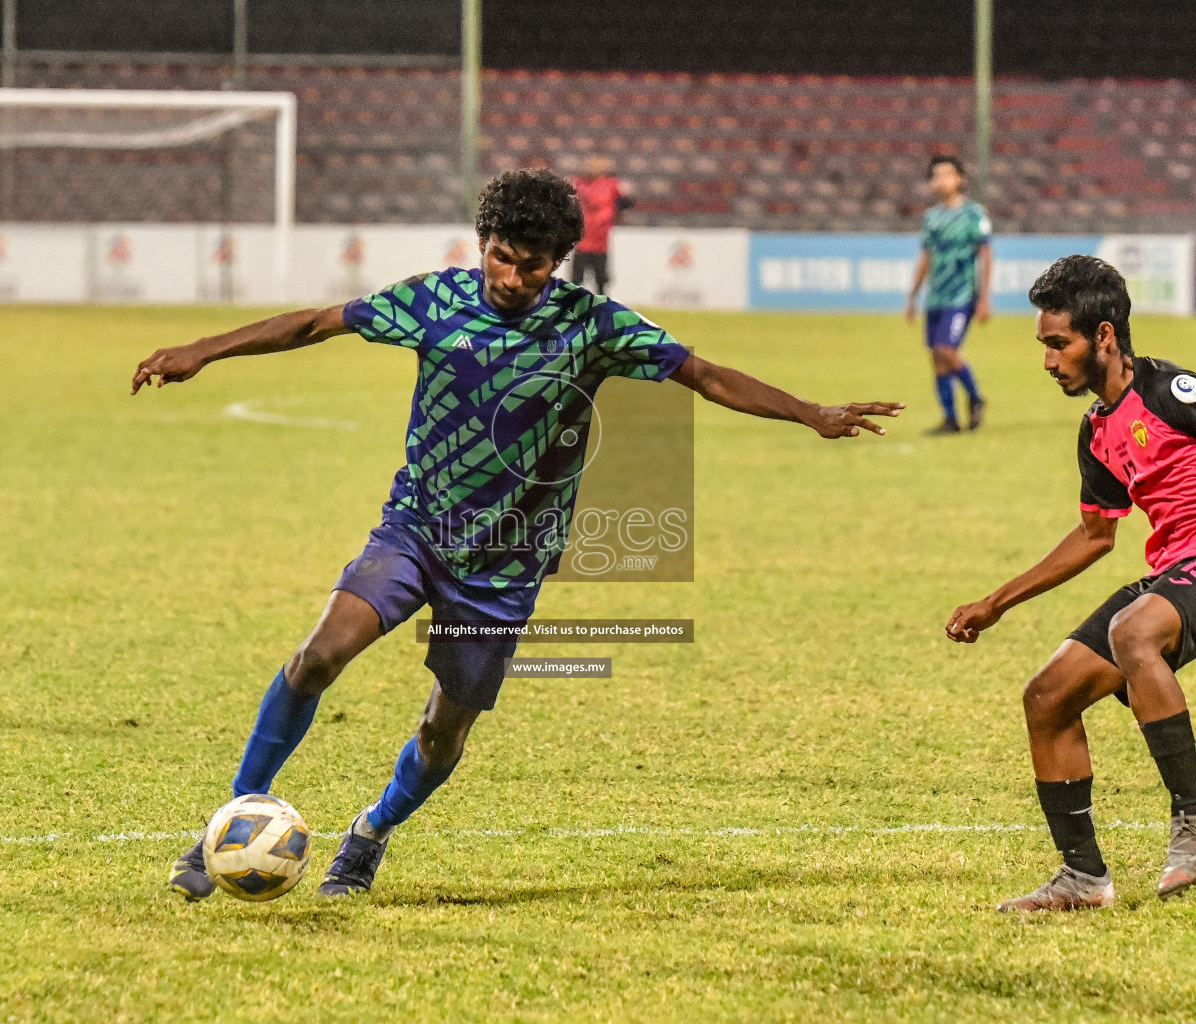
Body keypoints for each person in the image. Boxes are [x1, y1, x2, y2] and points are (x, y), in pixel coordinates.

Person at [133, 169, 904, 901]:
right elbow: (314, 323)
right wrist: (203, 350)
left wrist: (809, 411)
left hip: (504, 568)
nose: (511, 278)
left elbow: (702, 374)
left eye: (531, 267)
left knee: (444, 730)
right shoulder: (435, 302)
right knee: (318, 655)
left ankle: (373, 829)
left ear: (559, 264)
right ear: (482, 244)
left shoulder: (592, 325)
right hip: (416, 531)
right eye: (501, 258)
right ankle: (231, 823)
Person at [946, 255, 1196, 913]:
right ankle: (1083, 878)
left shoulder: (1172, 391)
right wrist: (996, 601)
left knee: (1133, 630)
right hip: (1180, 569)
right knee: (1047, 696)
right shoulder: (1097, 430)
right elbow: (1094, 536)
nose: (1049, 361)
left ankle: (1195, 822)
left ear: (1104, 336)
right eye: (1045, 345)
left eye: (1061, 344)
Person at [905, 155, 992, 434]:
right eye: (936, 175)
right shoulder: (932, 217)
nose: (941, 180)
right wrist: (913, 296)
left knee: (946, 350)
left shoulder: (974, 214)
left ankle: (975, 396)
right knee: (937, 359)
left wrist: (984, 298)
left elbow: (986, 255)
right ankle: (951, 419)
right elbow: (925, 258)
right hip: (936, 298)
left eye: (947, 174)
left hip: (962, 295)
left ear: (960, 179)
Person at [570, 156, 631, 295]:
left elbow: (626, 202)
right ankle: (572, 308)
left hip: (600, 242)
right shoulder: (579, 183)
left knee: (601, 280)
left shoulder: (611, 184)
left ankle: (600, 308)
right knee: (576, 279)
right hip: (583, 240)